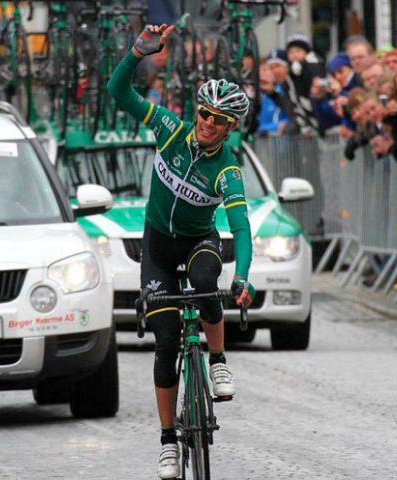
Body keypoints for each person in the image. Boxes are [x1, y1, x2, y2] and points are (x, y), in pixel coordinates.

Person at [106, 23, 255, 480]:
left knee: (209, 282)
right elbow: (119, 94)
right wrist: (137, 53)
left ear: (231, 128)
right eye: (205, 114)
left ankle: (218, 361)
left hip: (198, 243)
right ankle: (169, 441)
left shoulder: (228, 170)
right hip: (157, 244)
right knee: (167, 340)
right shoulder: (170, 129)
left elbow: (241, 228)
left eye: (219, 121)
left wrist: (244, 276)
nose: (208, 124)